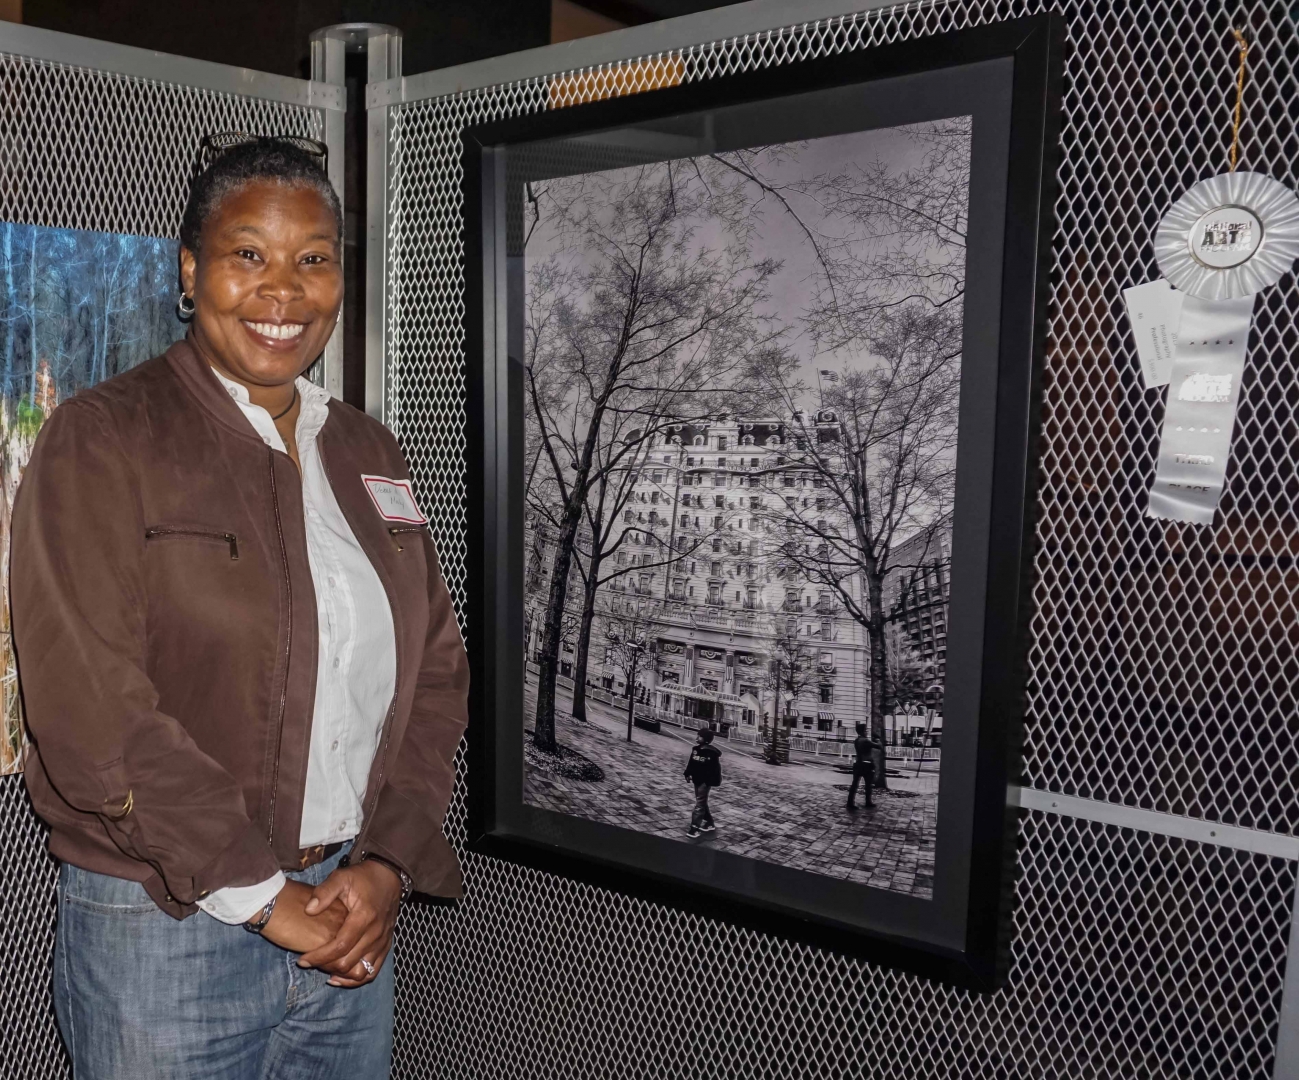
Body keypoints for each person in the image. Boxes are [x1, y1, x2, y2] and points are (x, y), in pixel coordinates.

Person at [10, 135, 469, 1079]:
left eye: (312, 259)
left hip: (348, 921)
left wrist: (386, 861)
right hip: (164, 926)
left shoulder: (368, 449)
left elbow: (432, 670)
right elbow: (90, 706)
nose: (283, 290)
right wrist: (261, 892)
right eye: (247, 255)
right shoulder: (104, 439)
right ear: (190, 271)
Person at [684, 728, 722, 837]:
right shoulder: (695, 750)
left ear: (705, 739)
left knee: (699, 804)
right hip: (696, 779)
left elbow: (715, 770)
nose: (696, 738)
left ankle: (694, 828)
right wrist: (687, 773)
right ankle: (709, 823)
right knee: (702, 802)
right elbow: (691, 764)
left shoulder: (711, 753)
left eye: (699, 736)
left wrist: (711, 781)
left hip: (705, 782)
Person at [847, 722, 880, 810]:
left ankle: (850, 802)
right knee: (868, 785)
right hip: (866, 765)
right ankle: (868, 802)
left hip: (858, 764)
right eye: (866, 730)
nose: (867, 732)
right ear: (862, 731)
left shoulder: (857, 740)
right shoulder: (865, 740)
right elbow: (877, 746)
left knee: (855, 784)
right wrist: (878, 740)